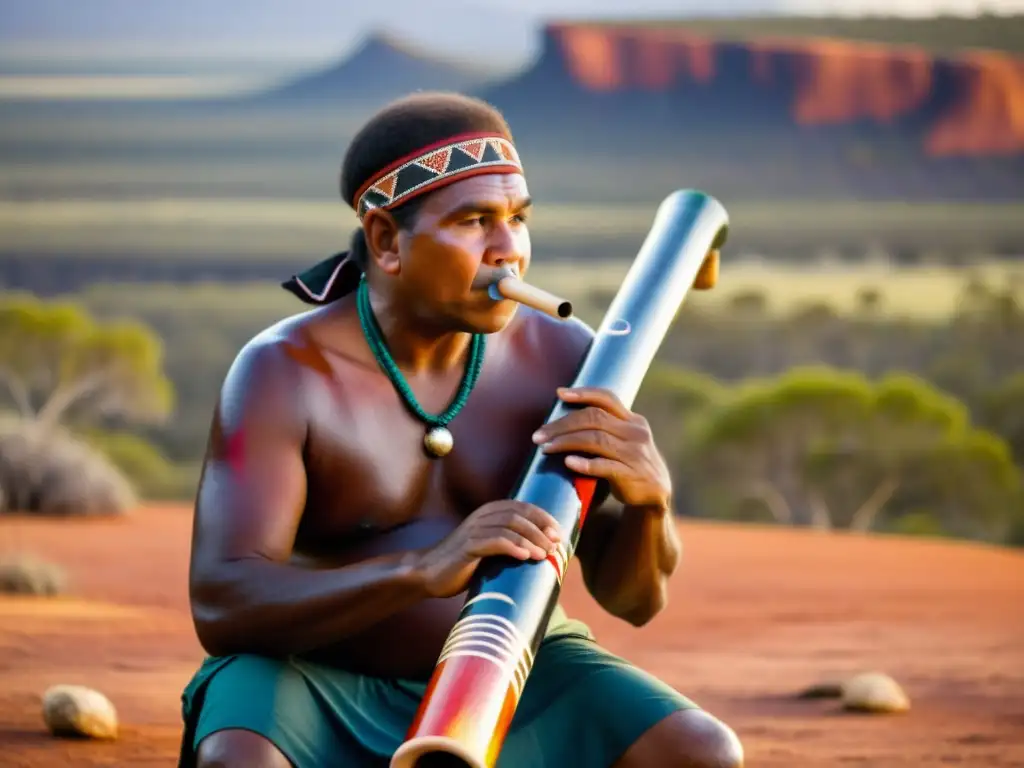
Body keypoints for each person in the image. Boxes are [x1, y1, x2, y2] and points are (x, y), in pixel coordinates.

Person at [178, 91, 743, 768]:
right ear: (388, 241)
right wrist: (421, 570)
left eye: (518, 219)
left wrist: (652, 505)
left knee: (702, 752)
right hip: (311, 674)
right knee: (239, 762)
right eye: (476, 222)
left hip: (514, 667)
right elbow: (224, 605)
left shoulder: (564, 357)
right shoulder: (285, 372)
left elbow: (636, 603)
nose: (509, 252)